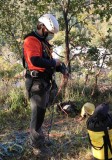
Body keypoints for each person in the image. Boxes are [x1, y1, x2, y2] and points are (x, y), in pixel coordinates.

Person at [23, 14, 68, 156]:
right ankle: (36, 146)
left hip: (43, 82)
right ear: (42, 27)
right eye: (49, 33)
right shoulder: (31, 40)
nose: (50, 36)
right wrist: (54, 63)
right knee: (37, 116)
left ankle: (39, 139)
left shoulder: (43, 42)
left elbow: (48, 61)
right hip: (36, 83)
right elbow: (35, 61)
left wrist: (60, 68)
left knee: (41, 114)